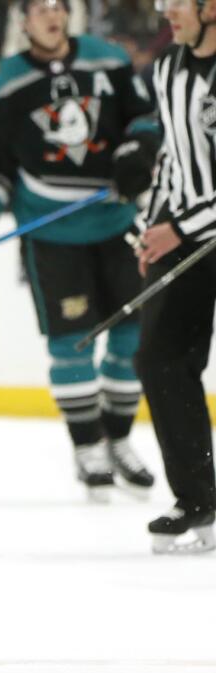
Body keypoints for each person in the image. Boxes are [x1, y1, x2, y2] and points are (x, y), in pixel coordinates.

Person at [0, 0, 160, 499]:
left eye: (59, 7)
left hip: (117, 222)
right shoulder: (1, 82)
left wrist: (136, 152)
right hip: (52, 233)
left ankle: (118, 441)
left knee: (130, 336)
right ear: (24, 21)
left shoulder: (108, 58)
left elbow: (145, 119)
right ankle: (87, 448)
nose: (52, 15)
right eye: (40, 9)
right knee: (73, 341)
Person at [130, 0, 216, 554]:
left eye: (179, 3)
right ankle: (199, 499)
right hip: (189, 241)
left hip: (193, 233)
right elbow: (174, 159)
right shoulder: (168, 67)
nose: (169, 14)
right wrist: (151, 224)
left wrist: (177, 228)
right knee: (160, 358)